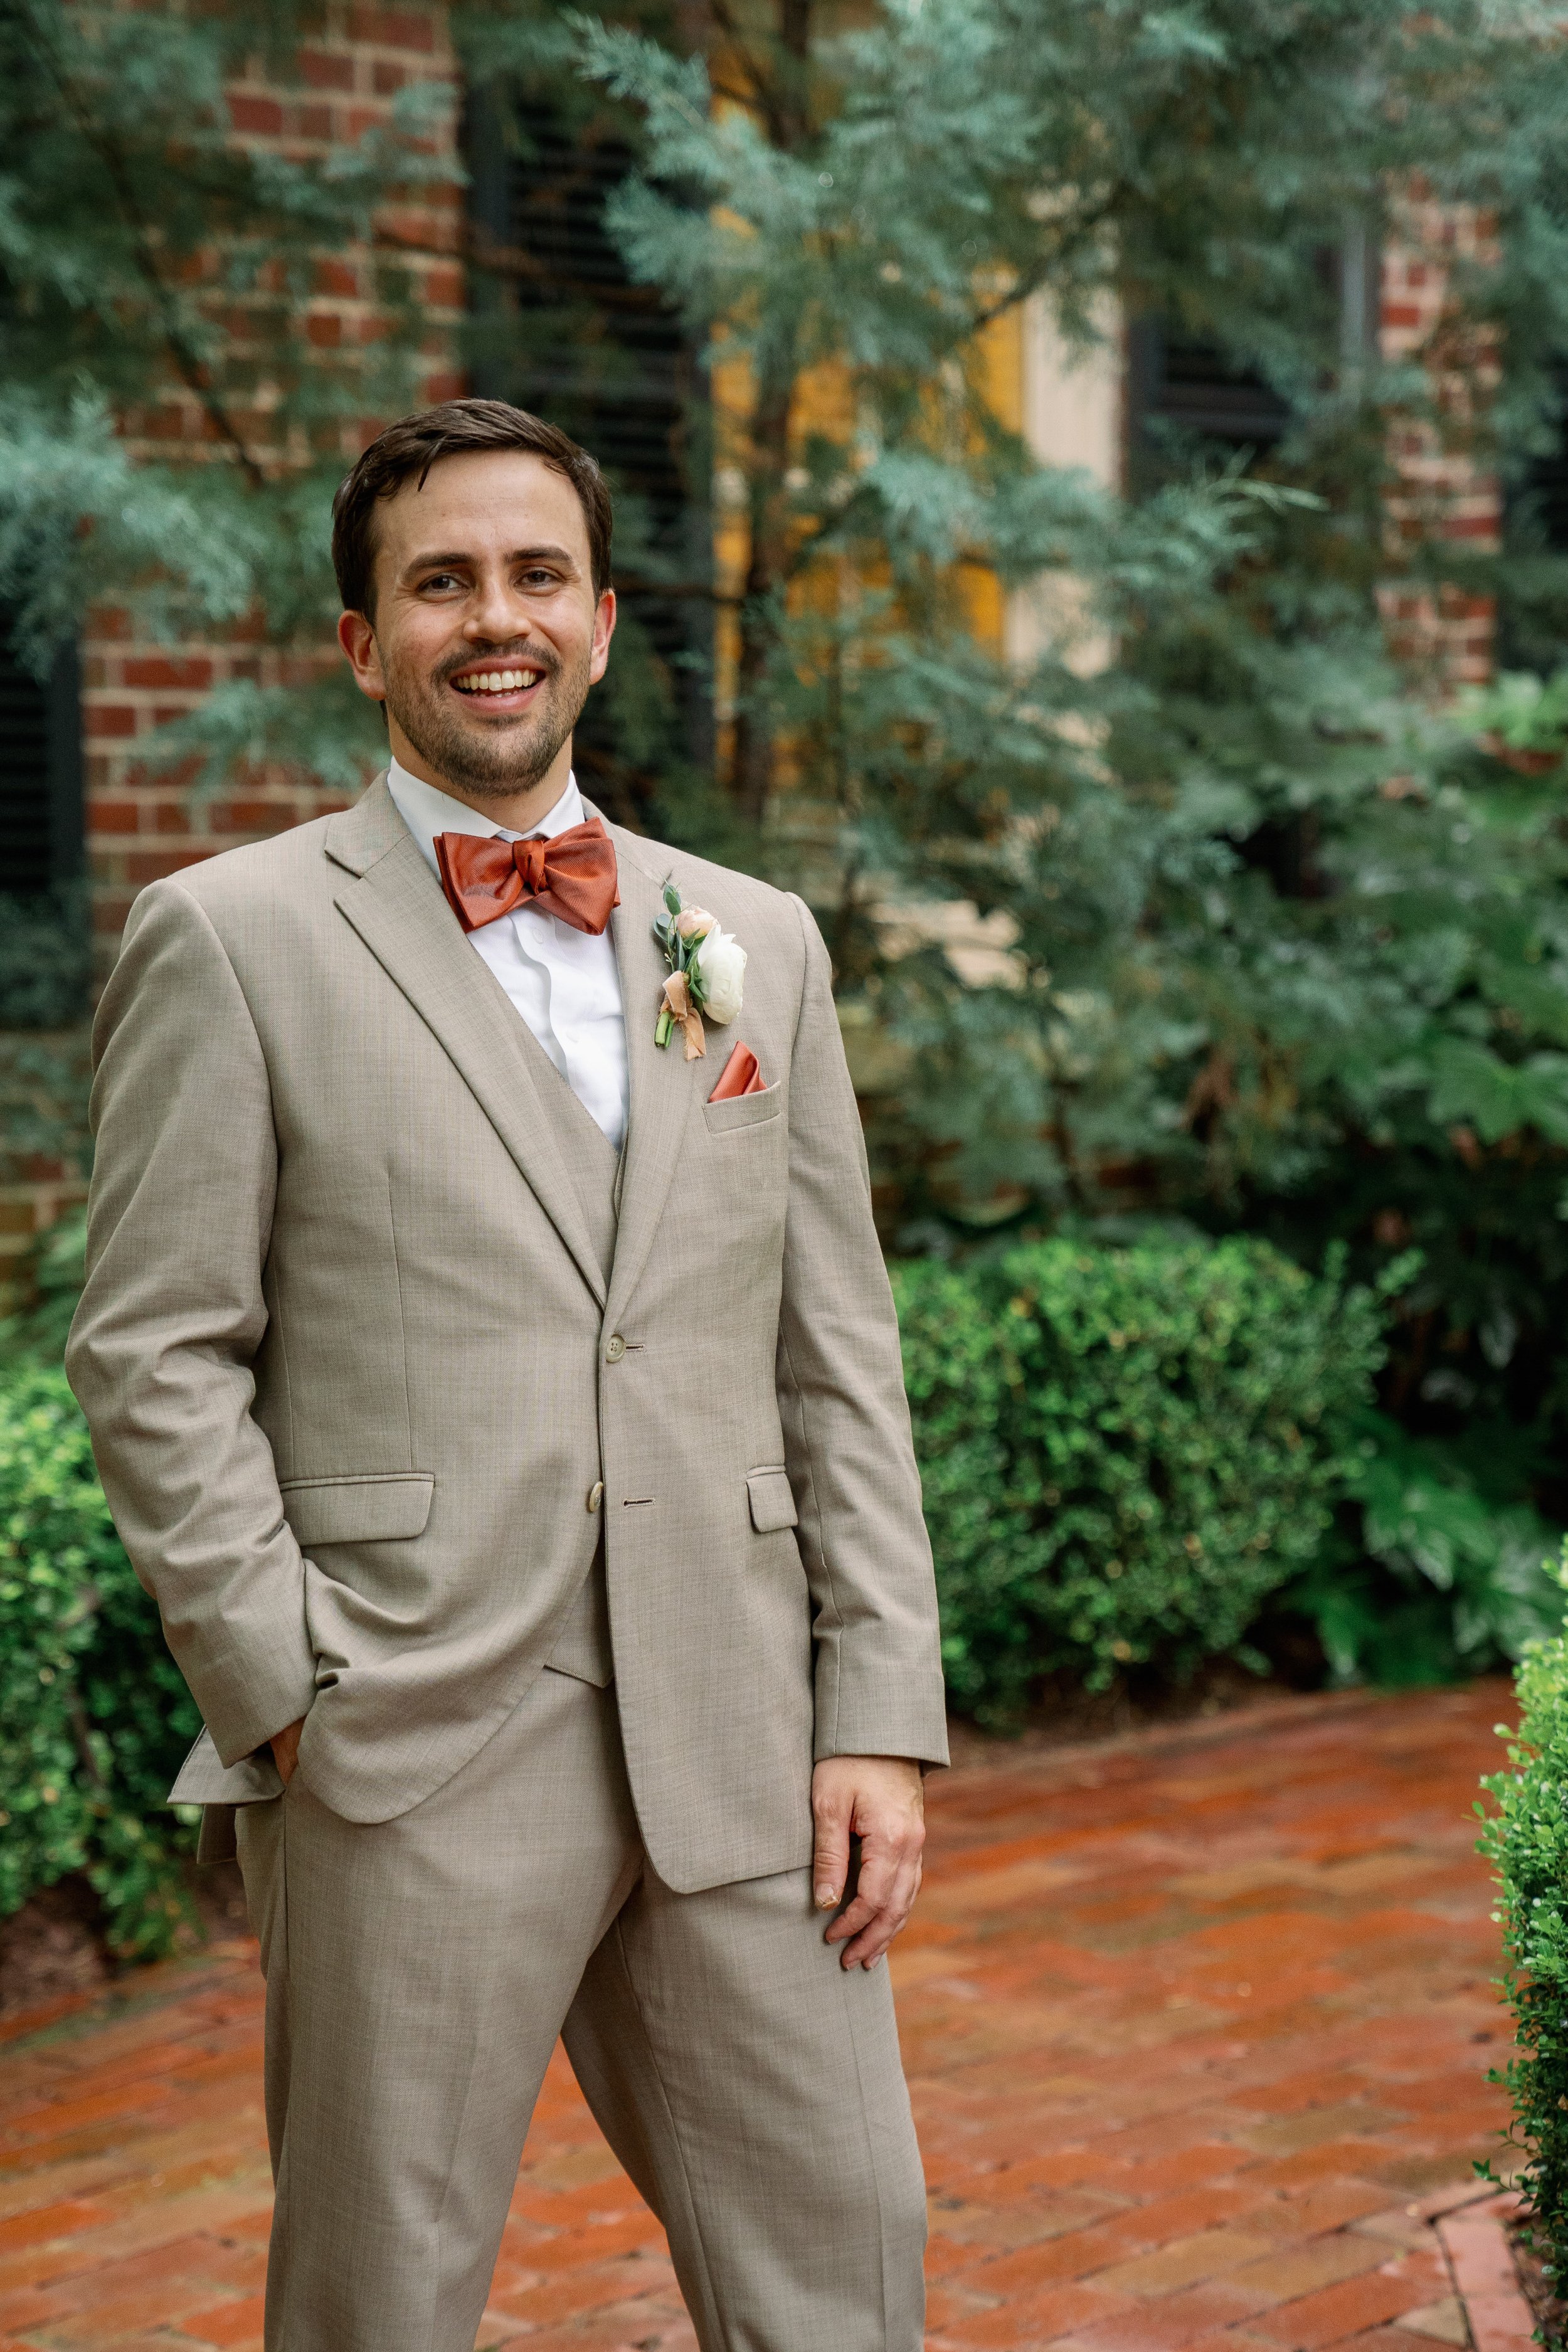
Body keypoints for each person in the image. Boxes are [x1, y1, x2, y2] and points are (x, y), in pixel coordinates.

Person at [66, 396, 948, 2352]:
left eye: (535, 574)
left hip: (740, 1739)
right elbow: (152, 1349)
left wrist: (876, 1702)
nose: (496, 616)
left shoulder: (754, 945)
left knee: (848, 2271)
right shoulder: (231, 938)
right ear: (360, 642)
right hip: (406, 1743)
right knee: (382, 2302)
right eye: (440, 580)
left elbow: (835, 1347)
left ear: (604, 617)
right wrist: (284, 1687)